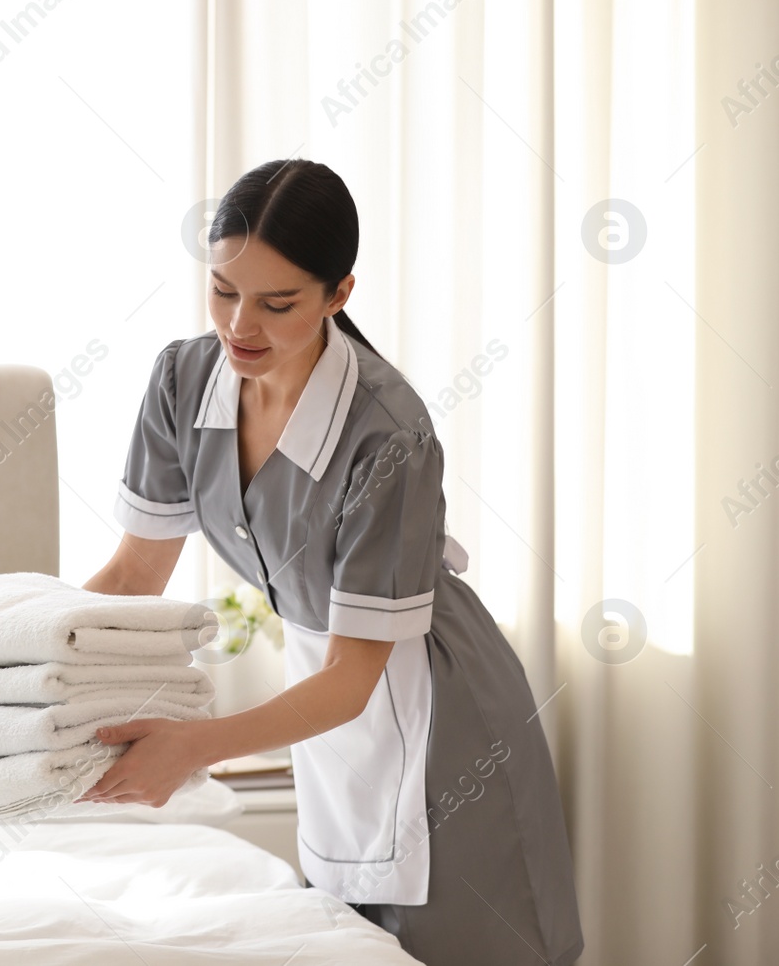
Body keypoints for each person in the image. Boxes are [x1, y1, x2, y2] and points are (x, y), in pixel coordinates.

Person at [79, 159, 584, 965]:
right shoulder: (183, 381)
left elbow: (359, 676)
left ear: (338, 295)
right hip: (331, 710)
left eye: (277, 304)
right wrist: (25, 674)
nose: (240, 324)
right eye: (223, 290)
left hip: (439, 717)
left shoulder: (388, 433)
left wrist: (191, 743)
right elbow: (135, 574)